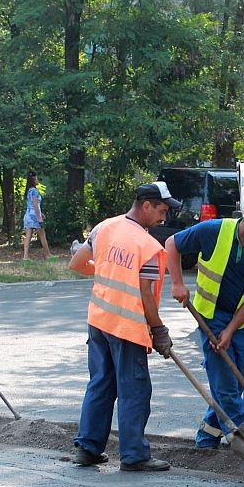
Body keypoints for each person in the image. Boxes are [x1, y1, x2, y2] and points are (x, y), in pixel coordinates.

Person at [67, 182, 181, 472]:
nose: (163, 218)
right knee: (135, 390)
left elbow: (77, 264)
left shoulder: (104, 228)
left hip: (99, 320)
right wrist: (158, 330)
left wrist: (106, 268)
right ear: (145, 205)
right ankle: (134, 455)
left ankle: (88, 449)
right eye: (161, 210)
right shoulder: (148, 246)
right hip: (127, 326)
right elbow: (145, 294)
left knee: (101, 384)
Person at [166, 198, 244, 449]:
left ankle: (207, 437)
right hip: (211, 315)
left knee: (239, 380)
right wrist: (177, 283)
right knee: (226, 383)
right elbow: (172, 244)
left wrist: (231, 330)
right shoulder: (213, 231)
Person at [22, 171, 53, 262]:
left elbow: (31, 205)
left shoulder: (28, 191)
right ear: (33, 180)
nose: (37, 180)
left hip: (28, 215)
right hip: (34, 216)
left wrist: (41, 213)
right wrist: (39, 217)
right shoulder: (35, 191)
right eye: (36, 178)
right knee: (42, 235)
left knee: (28, 236)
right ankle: (48, 255)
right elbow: (35, 205)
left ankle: (25, 257)